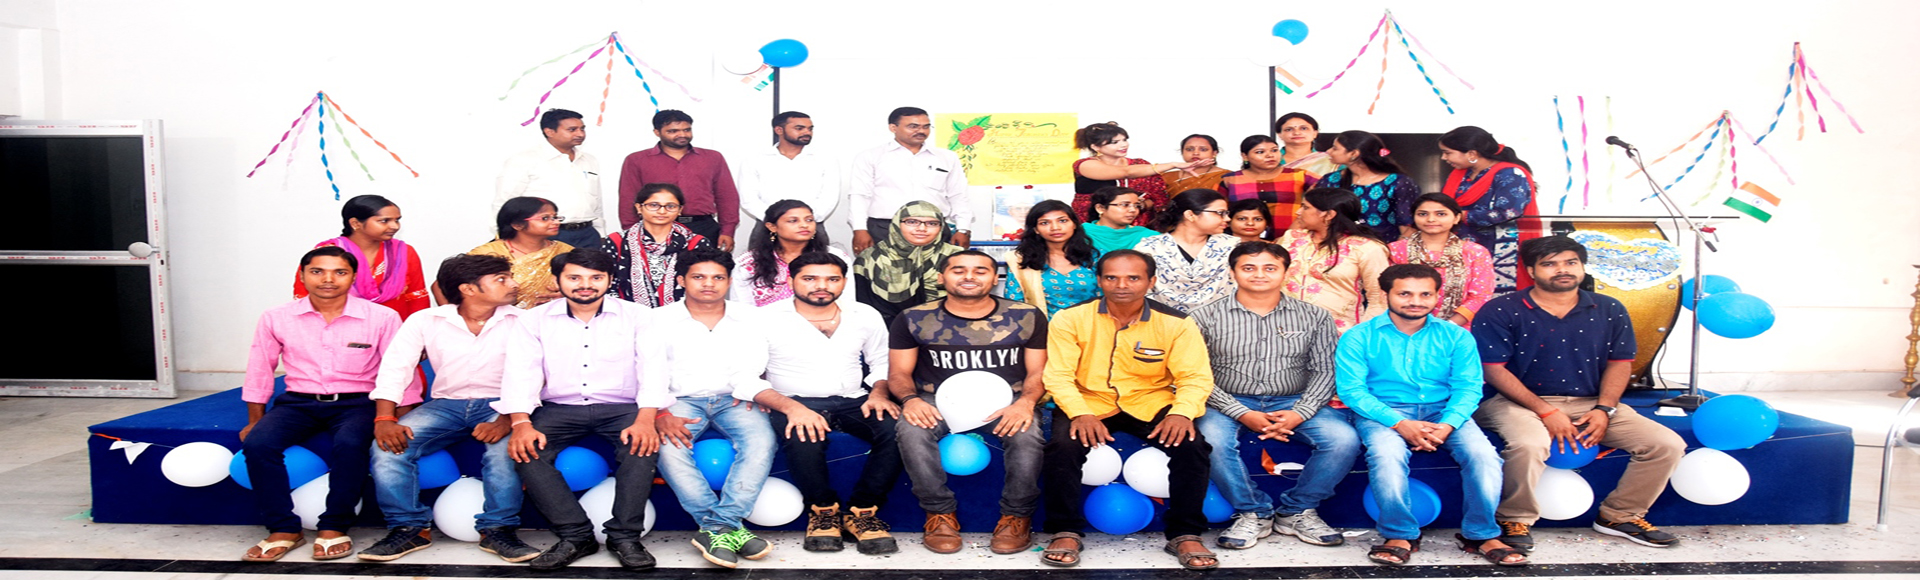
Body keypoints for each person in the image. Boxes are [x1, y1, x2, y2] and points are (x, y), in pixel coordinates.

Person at [1473, 236, 1685, 552]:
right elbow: (1493, 369)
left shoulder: (1609, 308)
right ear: (1531, 271)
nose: (1562, 270)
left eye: (1571, 262)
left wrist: (1605, 409)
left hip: (1591, 402)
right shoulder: (1501, 309)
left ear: (1582, 267)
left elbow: (1620, 363)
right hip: (1514, 402)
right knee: (1529, 445)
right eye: (1550, 264)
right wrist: (1546, 411)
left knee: (1666, 444)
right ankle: (1513, 519)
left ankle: (1620, 516)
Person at [1039, 250, 1218, 570]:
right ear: (1099, 280)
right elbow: (1058, 376)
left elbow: (1195, 377)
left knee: (1192, 447)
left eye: (1133, 278)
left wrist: (1181, 413)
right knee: (1062, 447)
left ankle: (1185, 533)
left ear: (1151, 281)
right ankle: (1064, 530)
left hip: (1150, 400)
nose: (1122, 285)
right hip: (1088, 400)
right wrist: (1080, 413)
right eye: (1111, 277)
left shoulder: (1176, 323)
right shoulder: (1070, 318)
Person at [1335, 264, 1524, 567]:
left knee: (1484, 456)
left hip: (1444, 410)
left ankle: (1480, 534)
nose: (1416, 301)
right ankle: (1400, 534)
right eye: (1405, 294)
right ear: (1386, 295)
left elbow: (1468, 387)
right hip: (1383, 411)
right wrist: (1400, 423)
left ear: (1438, 296)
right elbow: (1352, 392)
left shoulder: (1456, 336)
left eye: (1425, 294)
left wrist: (1448, 424)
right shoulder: (1359, 337)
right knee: (1386, 455)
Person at [359, 255, 537, 563]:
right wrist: (385, 417)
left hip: (503, 404)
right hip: (446, 406)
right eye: (501, 279)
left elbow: (535, 375)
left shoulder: (524, 321)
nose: (513, 284)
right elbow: (395, 368)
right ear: (468, 289)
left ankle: (498, 530)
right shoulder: (426, 320)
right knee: (387, 449)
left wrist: (507, 419)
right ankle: (408, 528)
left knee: (505, 452)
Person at [500, 248, 668, 571]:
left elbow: (653, 368)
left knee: (641, 447)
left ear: (610, 279)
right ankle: (575, 536)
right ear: (557, 280)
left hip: (621, 407)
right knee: (526, 450)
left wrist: (647, 418)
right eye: (574, 277)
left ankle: (625, 537)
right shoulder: (533, 320)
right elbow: (520, 372)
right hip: (559, 408)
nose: (585, 285)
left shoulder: (639, 316)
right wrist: (520, 422)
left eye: (595, 277)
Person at [238, 247, 402, 562]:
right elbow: (260, 368)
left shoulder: (382, 317)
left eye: (340, 272)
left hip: (357, 403)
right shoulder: (276, 317)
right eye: (317, 271)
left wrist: (393, 417)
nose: (328, 279)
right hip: (297, 403)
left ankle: (334, 526)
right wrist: (255, 420)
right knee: (258, 445)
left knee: (350, 444)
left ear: (354, 277)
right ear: (302, 276)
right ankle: (283, 529)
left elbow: (397, 370)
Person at [1190, 242, 1355, 550]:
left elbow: (1324, 371)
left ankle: (1297, 511)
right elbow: (1196, 374)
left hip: (1293, 400)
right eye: (1248, 268)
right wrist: (1241, 413)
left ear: (1285, 272)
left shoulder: (1314, 316)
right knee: (1211, 440)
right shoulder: (1203, 317)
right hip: (1226, 401)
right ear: (1232, 272)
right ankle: (1254, 511)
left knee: (1343, 439)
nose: (1259, 275)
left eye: (1270, 268)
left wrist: (1300, 413)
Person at [650, 249, 808, 568]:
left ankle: (718, 526)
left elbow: (763, 363)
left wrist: (756, 390)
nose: (709, 284)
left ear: (729, 281)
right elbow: (646, 372)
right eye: (699, 277)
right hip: (679, 400)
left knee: (761, 441)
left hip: (736, 397)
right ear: (681, 280)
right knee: (668, 447)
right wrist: (661, 412)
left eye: (718, 277)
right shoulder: (656, 320)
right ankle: (724, 527)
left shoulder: (752, 318)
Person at [888, 250, 1049, 556]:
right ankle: (939, 515)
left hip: (1007, 400)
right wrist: (910, 400)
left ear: (995, 277)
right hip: (937, 399)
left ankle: (1016, 518)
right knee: (911, 430)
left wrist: (1026, 402)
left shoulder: (1026, 315)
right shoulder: (913, 317)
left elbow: (1038, 372)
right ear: (941, 277)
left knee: (1026, 434)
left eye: (980, 271)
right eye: (959, 270)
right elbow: (898, 374)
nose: (969, 277)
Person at [759, 252, 904, 555]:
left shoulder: (864, 314)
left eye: (832, 279)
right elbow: (745, 375)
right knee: (803, 435)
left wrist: (879, 393)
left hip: (853, 398)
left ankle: (862, 512)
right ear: (791, 281)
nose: (821, 286)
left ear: (844, 282)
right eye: (810, 278)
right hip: (792, 399)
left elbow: (882, 362)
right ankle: (823, 511)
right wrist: (792, 408)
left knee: (899, 431)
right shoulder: (765, 318)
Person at [848, 107, 973, 252]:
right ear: (893, 128)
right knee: (883, 267)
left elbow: (958, 195)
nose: (921, 131)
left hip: (933, 229)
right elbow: (860, 196)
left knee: (936, 267)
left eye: (926, 126)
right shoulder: (871, 156)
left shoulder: (947, 157)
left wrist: (963, 229)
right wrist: (859, 229)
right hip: (884, 229)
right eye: (913, 126)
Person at [1438, 126, 1542, 292]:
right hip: (1461, 246)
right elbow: (1444, 204)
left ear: (1472, 154)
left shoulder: (1510, 173)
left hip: (1500, 248)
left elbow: (1509, 212)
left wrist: (1459, 216)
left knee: (1495, 295)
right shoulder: (1461, 175)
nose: (1443, 158)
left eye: (1447, 152)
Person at [618, 109, 739, 251]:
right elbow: (628, 199)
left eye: (687, 130)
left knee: (704, 265)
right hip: (656, 227)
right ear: (657, 132)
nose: (682, 134)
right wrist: (631, 232)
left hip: (703, 227)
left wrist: (727, 231)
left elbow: (726, 196)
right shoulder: (637, 160)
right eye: (673, 131)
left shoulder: (712, 158)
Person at [295, 195, 430, 320]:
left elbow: (417, 297)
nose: (395, 226)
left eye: (397, 220)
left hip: (395, 331)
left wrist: (418, 333)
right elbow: (303, 297)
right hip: (338, 329)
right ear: (355, 223)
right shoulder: (325, 254)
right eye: (384, 221)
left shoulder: (403, 252)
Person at [1278, 188, 1390, 333]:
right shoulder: (1291, 238)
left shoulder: (1367, 248)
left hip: (1339, 334)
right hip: (1284, 330)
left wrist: (1363, 336)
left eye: (1305, 207)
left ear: (1329, 214)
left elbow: (1379, 299)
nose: (1298, 212)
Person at [496, 108, 604, 249]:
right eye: (572, 130)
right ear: (549, 132)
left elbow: (596, 201)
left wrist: (601, 232)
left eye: (582, 129)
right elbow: (504, 202)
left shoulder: (589, 160)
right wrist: (503, 238)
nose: (580, 134)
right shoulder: (524, 160)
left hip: (588, 234)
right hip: (545, 234)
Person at [1388, 194, 1495, 327]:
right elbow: (1384, 292)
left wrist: (1448, 326)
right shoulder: (1395, 250)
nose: (1431, 219)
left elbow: (1481, 296)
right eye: (1422, 214)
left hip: (1457, 329)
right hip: (1401, 326)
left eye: (1441, 214)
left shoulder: (1475, 252)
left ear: (1456, 218)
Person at [852, 201, 964, 325]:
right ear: (897, 223)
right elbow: (862, 306)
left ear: (941, 227)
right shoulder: (871, 257)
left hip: (949, 326)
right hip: (887, 328)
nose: (922, 228)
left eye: (932, 223)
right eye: (912, 222)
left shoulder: (956, 256)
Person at [604, 183, 716, 307]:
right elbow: (606, 285)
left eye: (670, 206)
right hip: (626, 313)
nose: (662, 211)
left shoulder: (696, 243)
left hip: (685, 314)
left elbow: (705, 284)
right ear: (639, 208)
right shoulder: (617, 241)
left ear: (680, 210)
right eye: (653, 205)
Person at [457, 196, 574, 309]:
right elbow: (453, 288)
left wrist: (569, 296)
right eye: (545, 218)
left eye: (555, 217)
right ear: (517, 225)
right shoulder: (487, 253)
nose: (556, 222)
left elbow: (582, 286)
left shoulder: (566, 252)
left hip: (553, 317)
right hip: (498, 318)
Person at [730, 199, 853, 307]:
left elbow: (847, 302)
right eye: (793, 221)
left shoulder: (835, 257)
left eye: (809, 220)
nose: (804, 225)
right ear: (772, 227)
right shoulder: (748, 262)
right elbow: (742, 307)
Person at [1069, 122, 1196, 226]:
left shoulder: (1140, 163)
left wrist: (1140, 205)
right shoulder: (1085, 165)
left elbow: (1156, 196)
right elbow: (1125, 172)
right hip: (1095, 226)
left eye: (1124, 140)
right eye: (1115, 142)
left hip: (1138, 226)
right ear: (1095, 147)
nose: (1123, 145)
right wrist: (1172, 165)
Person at [1134, 189, 1238, 313]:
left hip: (1222, 319)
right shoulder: (1150, 248)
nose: (1227, 218)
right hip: (1162, 320)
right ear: (1190, 215)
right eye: (1220, 213)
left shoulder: (1232, 246)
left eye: (1227, 213)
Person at [737, 111, 840, 235]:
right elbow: (748, 198)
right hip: (768, 227)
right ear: (779, 130)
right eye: (799, 128)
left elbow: (829, 196)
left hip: (811, 227)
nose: (807, 132)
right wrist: (775, 220)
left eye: (810, 129)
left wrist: (807, 219)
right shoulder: (755, 159)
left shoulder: (825, 159)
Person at [1005, 199, 1100, 316]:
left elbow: (1109, 298)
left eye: (1062, 221)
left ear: (1074, 224)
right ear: (1036, 229)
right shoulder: (1021, 260)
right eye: (1045, 223)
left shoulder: (1095, 257)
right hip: (1042, 326)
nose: (1055, 227)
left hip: (1091, 324)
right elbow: (1015, 304)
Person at [1321, 130, 1419, 243]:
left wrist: (1393, 250)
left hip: (1384, 248)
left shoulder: (1398, 183)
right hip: (1338, 248)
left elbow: (1408, 227)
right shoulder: (1330, 180)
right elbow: (1315, 213)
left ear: (1354, 154)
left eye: (1335, 148)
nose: (1328, 151)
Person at [1217, 135, 1317, 234]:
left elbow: (1322, 199)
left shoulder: (1300, 175)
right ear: (1245, 156)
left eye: (1274, 150)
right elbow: (1218, 212)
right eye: (1260, 152)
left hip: (1292, 237)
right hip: (1242, 239)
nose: (1270, 155)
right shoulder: (1229, 180)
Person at [1080, 186, 1159, 255]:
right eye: (1125, 205)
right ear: (1100, 208)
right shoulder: (1081, 233)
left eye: (1137, 205)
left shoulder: (1148, 236)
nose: (1133, 210)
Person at [1159, 134, 1232, 196]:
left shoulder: (1228, 176)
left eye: (1203, 149)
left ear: (1214, 153)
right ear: (1182, 152)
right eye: (1189, 149)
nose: (1195, 153)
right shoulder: (1166, 177)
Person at [1274, 112, 1340, 179]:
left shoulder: (1332, 160)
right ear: (1279, 135)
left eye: (1304, 128)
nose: (1297, 133)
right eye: (1289, 129)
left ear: (1315, 133)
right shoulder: (1270, 160)